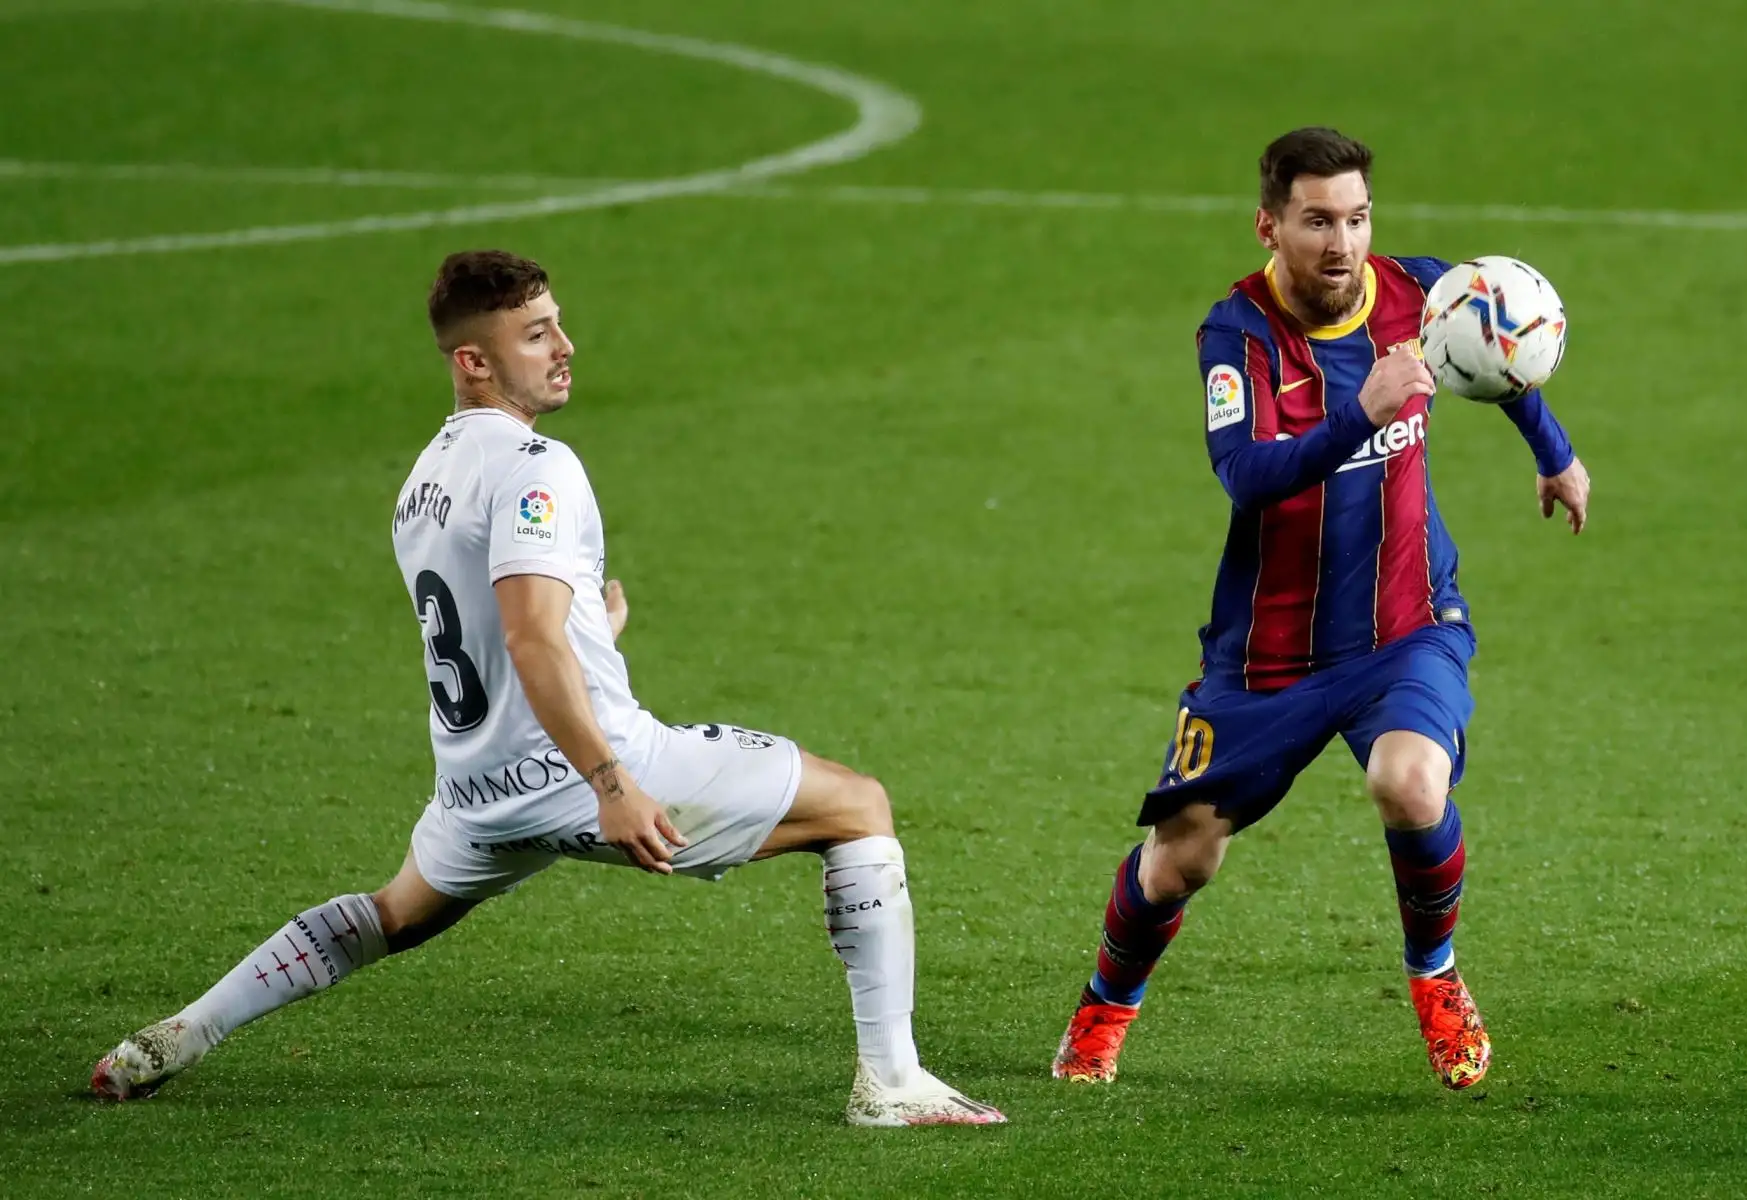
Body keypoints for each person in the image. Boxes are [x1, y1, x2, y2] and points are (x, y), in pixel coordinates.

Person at [92, 249, 1005, 1129]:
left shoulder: (424, 480)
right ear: (474, 360)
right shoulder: (539, 469)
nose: (563, 345)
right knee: (858, 806)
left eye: (558, 323)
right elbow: (527, 634)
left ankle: (180, 1033)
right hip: (585, 768)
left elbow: (503, 636)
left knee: (393, 914)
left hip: (476, 794)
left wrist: (590, 635)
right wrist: (613, 784)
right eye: (535, 334)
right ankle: (892, 1081)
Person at [1050, 128, 1590, 1091]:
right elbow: (1247, 476)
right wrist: (1361, 414)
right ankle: (1104, 1009)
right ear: (1270, 225)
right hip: (1269, 657)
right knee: (1181, 859)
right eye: (1317, 221)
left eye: (1356, 217)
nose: (1341, 243)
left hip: (1406, 625)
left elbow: (1496, 351)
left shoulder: (1421, 293)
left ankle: (1434, 975)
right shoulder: (1239, 333)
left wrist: (1553, 453)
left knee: (1411, 783)